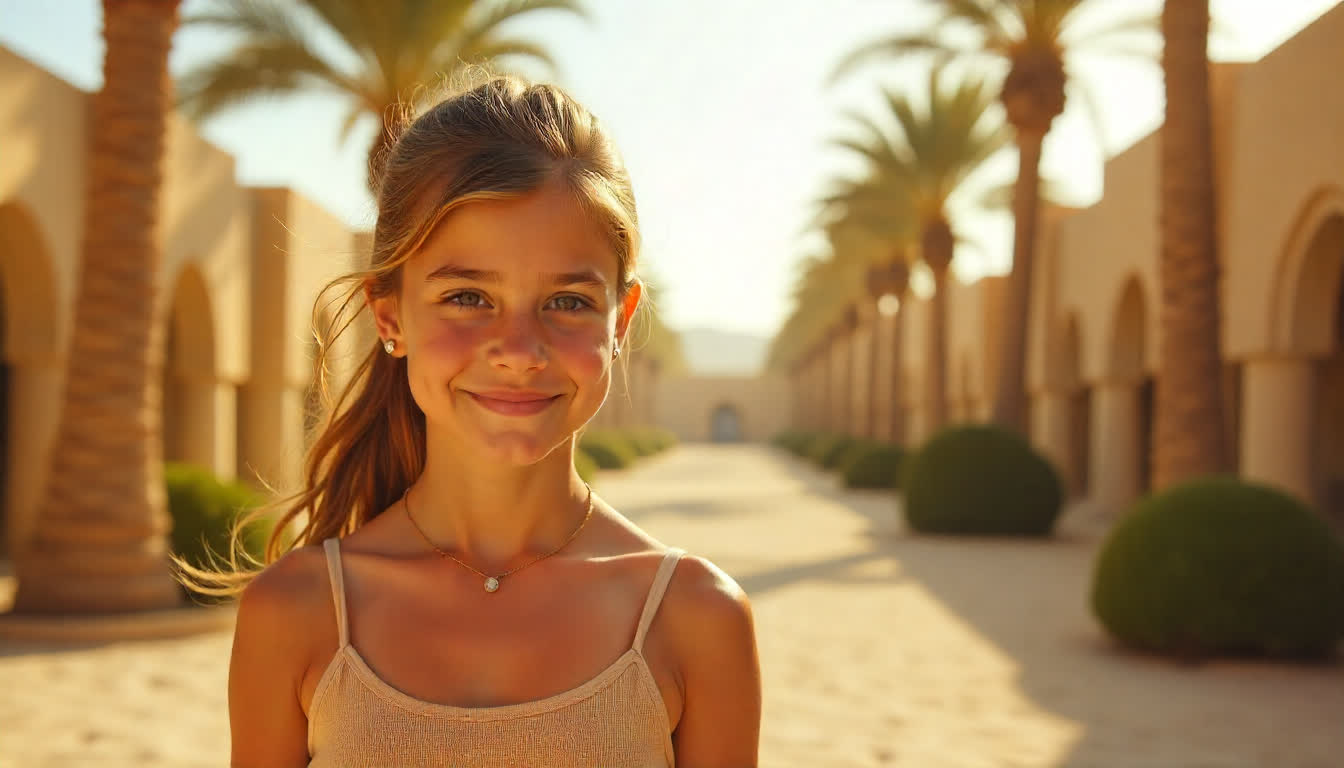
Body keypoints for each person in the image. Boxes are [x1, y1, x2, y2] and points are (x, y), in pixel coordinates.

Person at [177, 74, 761, 767]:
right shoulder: (297, 613)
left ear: (620, 321)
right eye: (467, 295)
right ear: (390, 316)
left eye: (568, 302)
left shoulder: (696, 618)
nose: (517, 351)